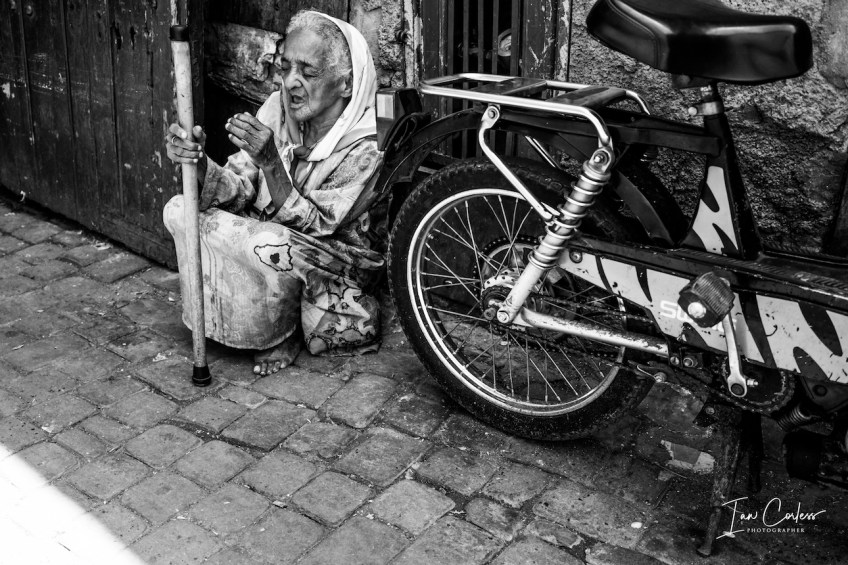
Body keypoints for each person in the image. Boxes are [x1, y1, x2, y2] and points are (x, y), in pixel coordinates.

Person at [163, 10, 384, 376]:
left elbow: (318, 228)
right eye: (285, 68)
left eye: (308, 72)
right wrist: (199, 164)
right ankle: (242, 319)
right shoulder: (277, 109)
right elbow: (240, 187)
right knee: (179, 208)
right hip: (272, 238)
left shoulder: (367, 146)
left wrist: (271, 163)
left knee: (266, 242)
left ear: (346, 84)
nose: (291, 82)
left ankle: (286, 330)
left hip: (335, 262)